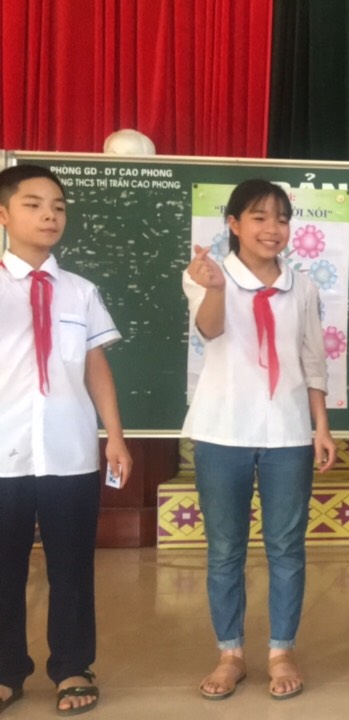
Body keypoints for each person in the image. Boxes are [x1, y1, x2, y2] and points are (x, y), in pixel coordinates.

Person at [183, 179, 337, 701]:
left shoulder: (302, 286)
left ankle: (280, 650)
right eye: (259, 217)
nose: (273, 229)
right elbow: (210, 330)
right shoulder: (206, 273)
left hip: (288, 431)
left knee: (286, 546)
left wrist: (320, 426)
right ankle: (230, 653)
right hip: (221, 430)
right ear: (233, 224)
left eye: (282, 219)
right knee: (226, 548)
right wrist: (215, 289)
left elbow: (312, 359)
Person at [0, 164, 132, 716]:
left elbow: (95, 365)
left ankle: (73, 666)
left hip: (70, 451)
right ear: (4, 215)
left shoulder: (80, 291)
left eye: (57, 206)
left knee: (72, 566)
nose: (49, 215)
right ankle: (5, 670)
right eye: (33, 205)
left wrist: (115, 435)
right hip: (3, 452)